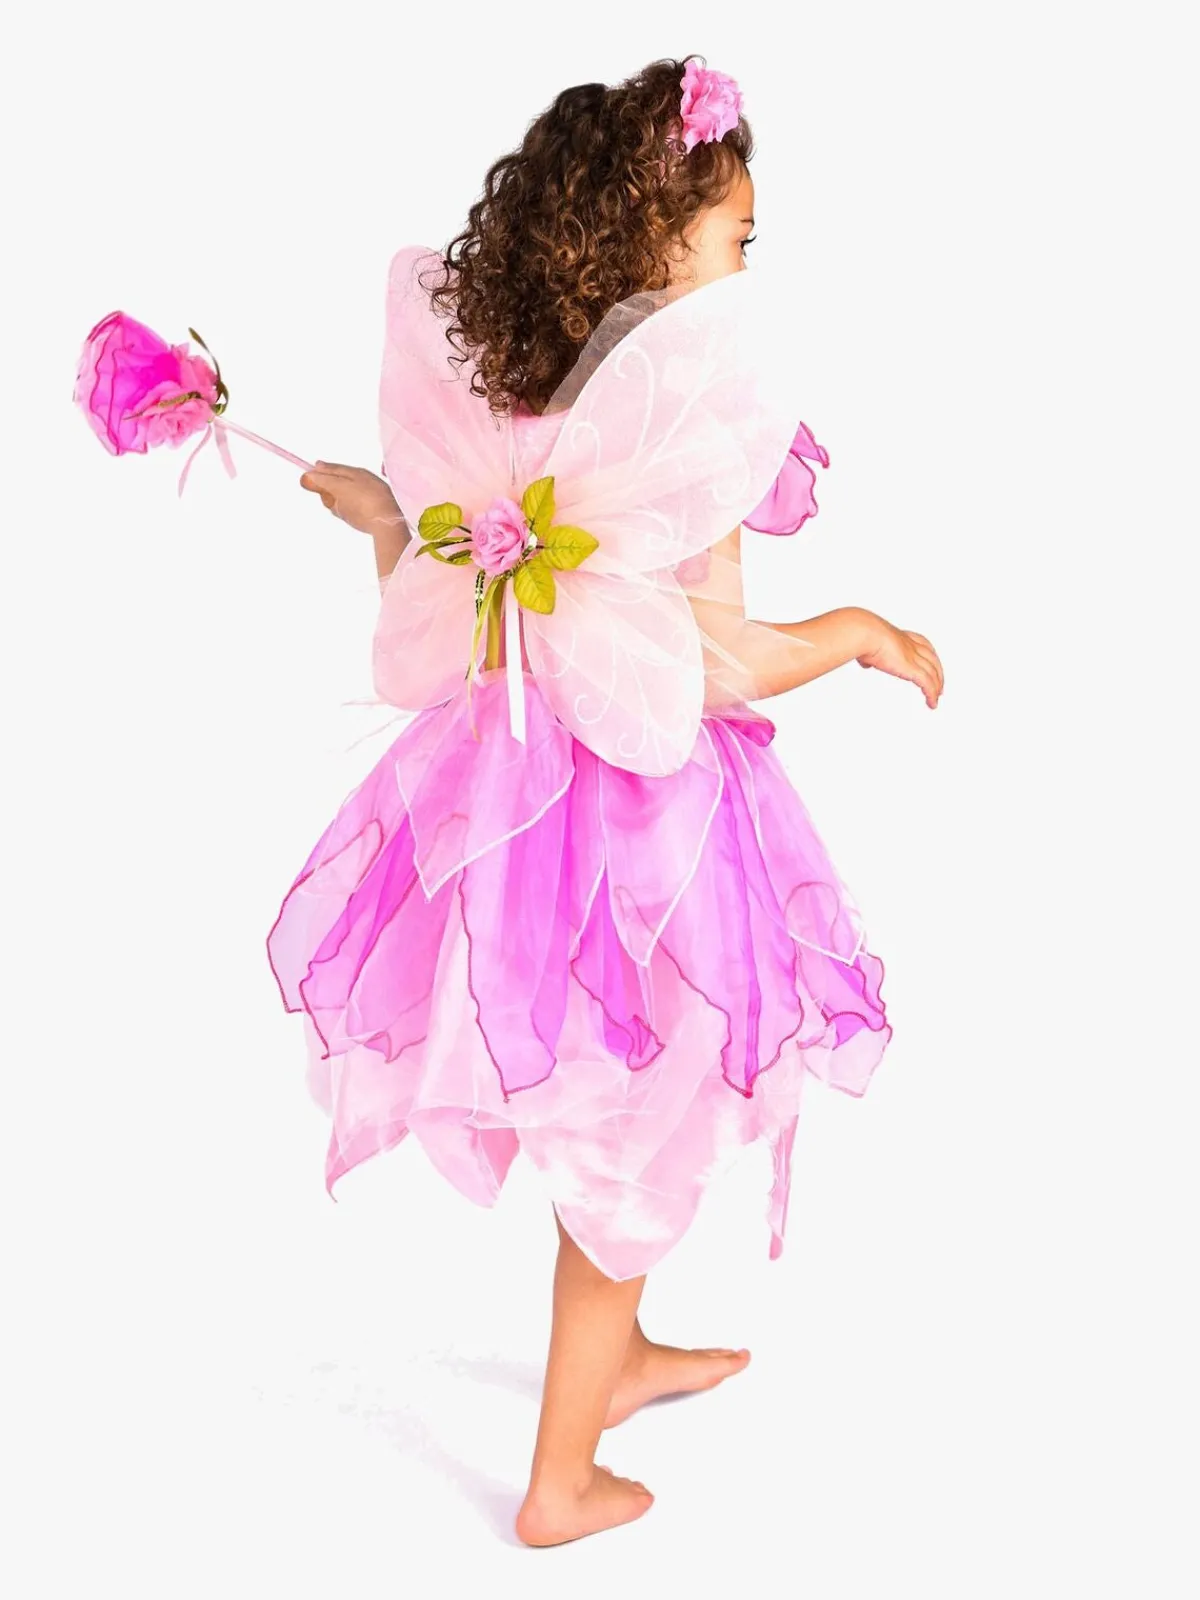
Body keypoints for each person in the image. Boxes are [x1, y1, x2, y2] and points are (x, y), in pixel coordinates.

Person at [272, 55, 943, 1548]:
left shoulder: (510, 416)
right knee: (641, 1129)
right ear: (655, 246)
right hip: (647, 837)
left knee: (626, 1100)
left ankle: (618, 1359)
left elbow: (454, 617)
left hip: (509, 823)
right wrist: (856, 633)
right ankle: (560, 1481)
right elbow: (716, 664)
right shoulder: (695, 433)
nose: (749, 266)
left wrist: (384, 516)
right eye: (736, 238)